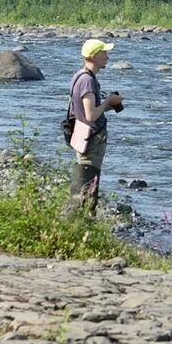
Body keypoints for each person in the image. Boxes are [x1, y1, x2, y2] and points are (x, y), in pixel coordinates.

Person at [67, 38, 123, 214]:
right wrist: (108, 100)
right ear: (93, 57)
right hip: (91, 139)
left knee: (87, 179)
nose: (107, 57)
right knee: (87, 181)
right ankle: (81, 218)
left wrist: (107, 106)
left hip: (84, 135)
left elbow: (85, 112)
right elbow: (90, 115)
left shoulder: (80, 76)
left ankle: (81, 216)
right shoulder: (87, 81)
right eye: (104, 53)